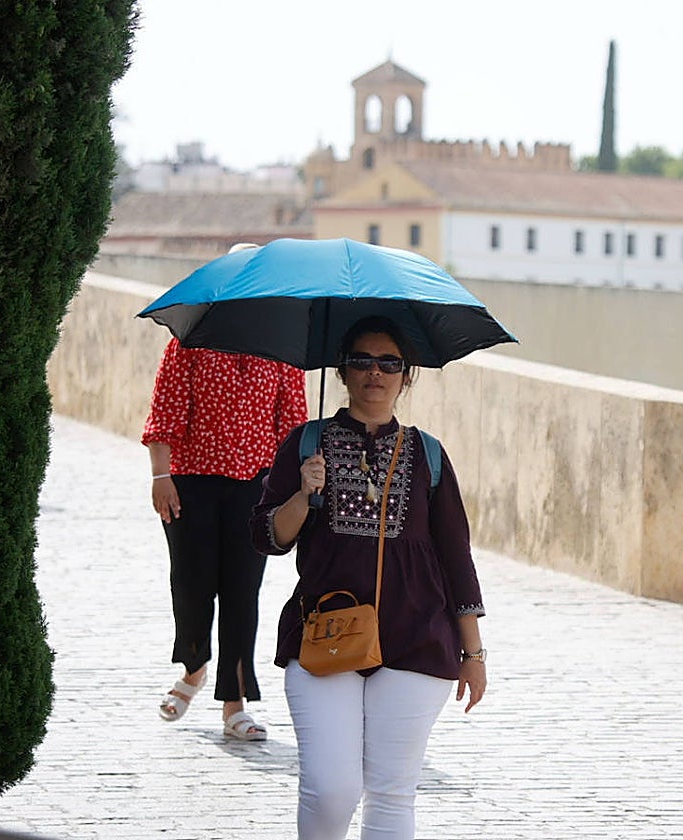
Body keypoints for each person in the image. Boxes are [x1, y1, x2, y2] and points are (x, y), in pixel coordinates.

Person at [250, 315, 487, 839]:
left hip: (417, 640)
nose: (374, 373)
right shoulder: (306, 443)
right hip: (324, 637)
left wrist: (473, 654)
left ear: (407, 375)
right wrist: (303, 494)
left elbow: (456, 557)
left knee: (392, 793)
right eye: (361, 360)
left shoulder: (428, 454)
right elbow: (268, 536)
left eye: (389, 363)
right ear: (342, 370)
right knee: (330, 789)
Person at [142, 245, 308, 739]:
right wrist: (160, 475)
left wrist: (290, 488)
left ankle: (234, 703)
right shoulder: (189, 341)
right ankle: (194, 667)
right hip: (190, 483)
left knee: (242, 594)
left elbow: (292, 425)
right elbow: (165, 411)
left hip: (254, 490)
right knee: (191, 585)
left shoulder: (281, 351)